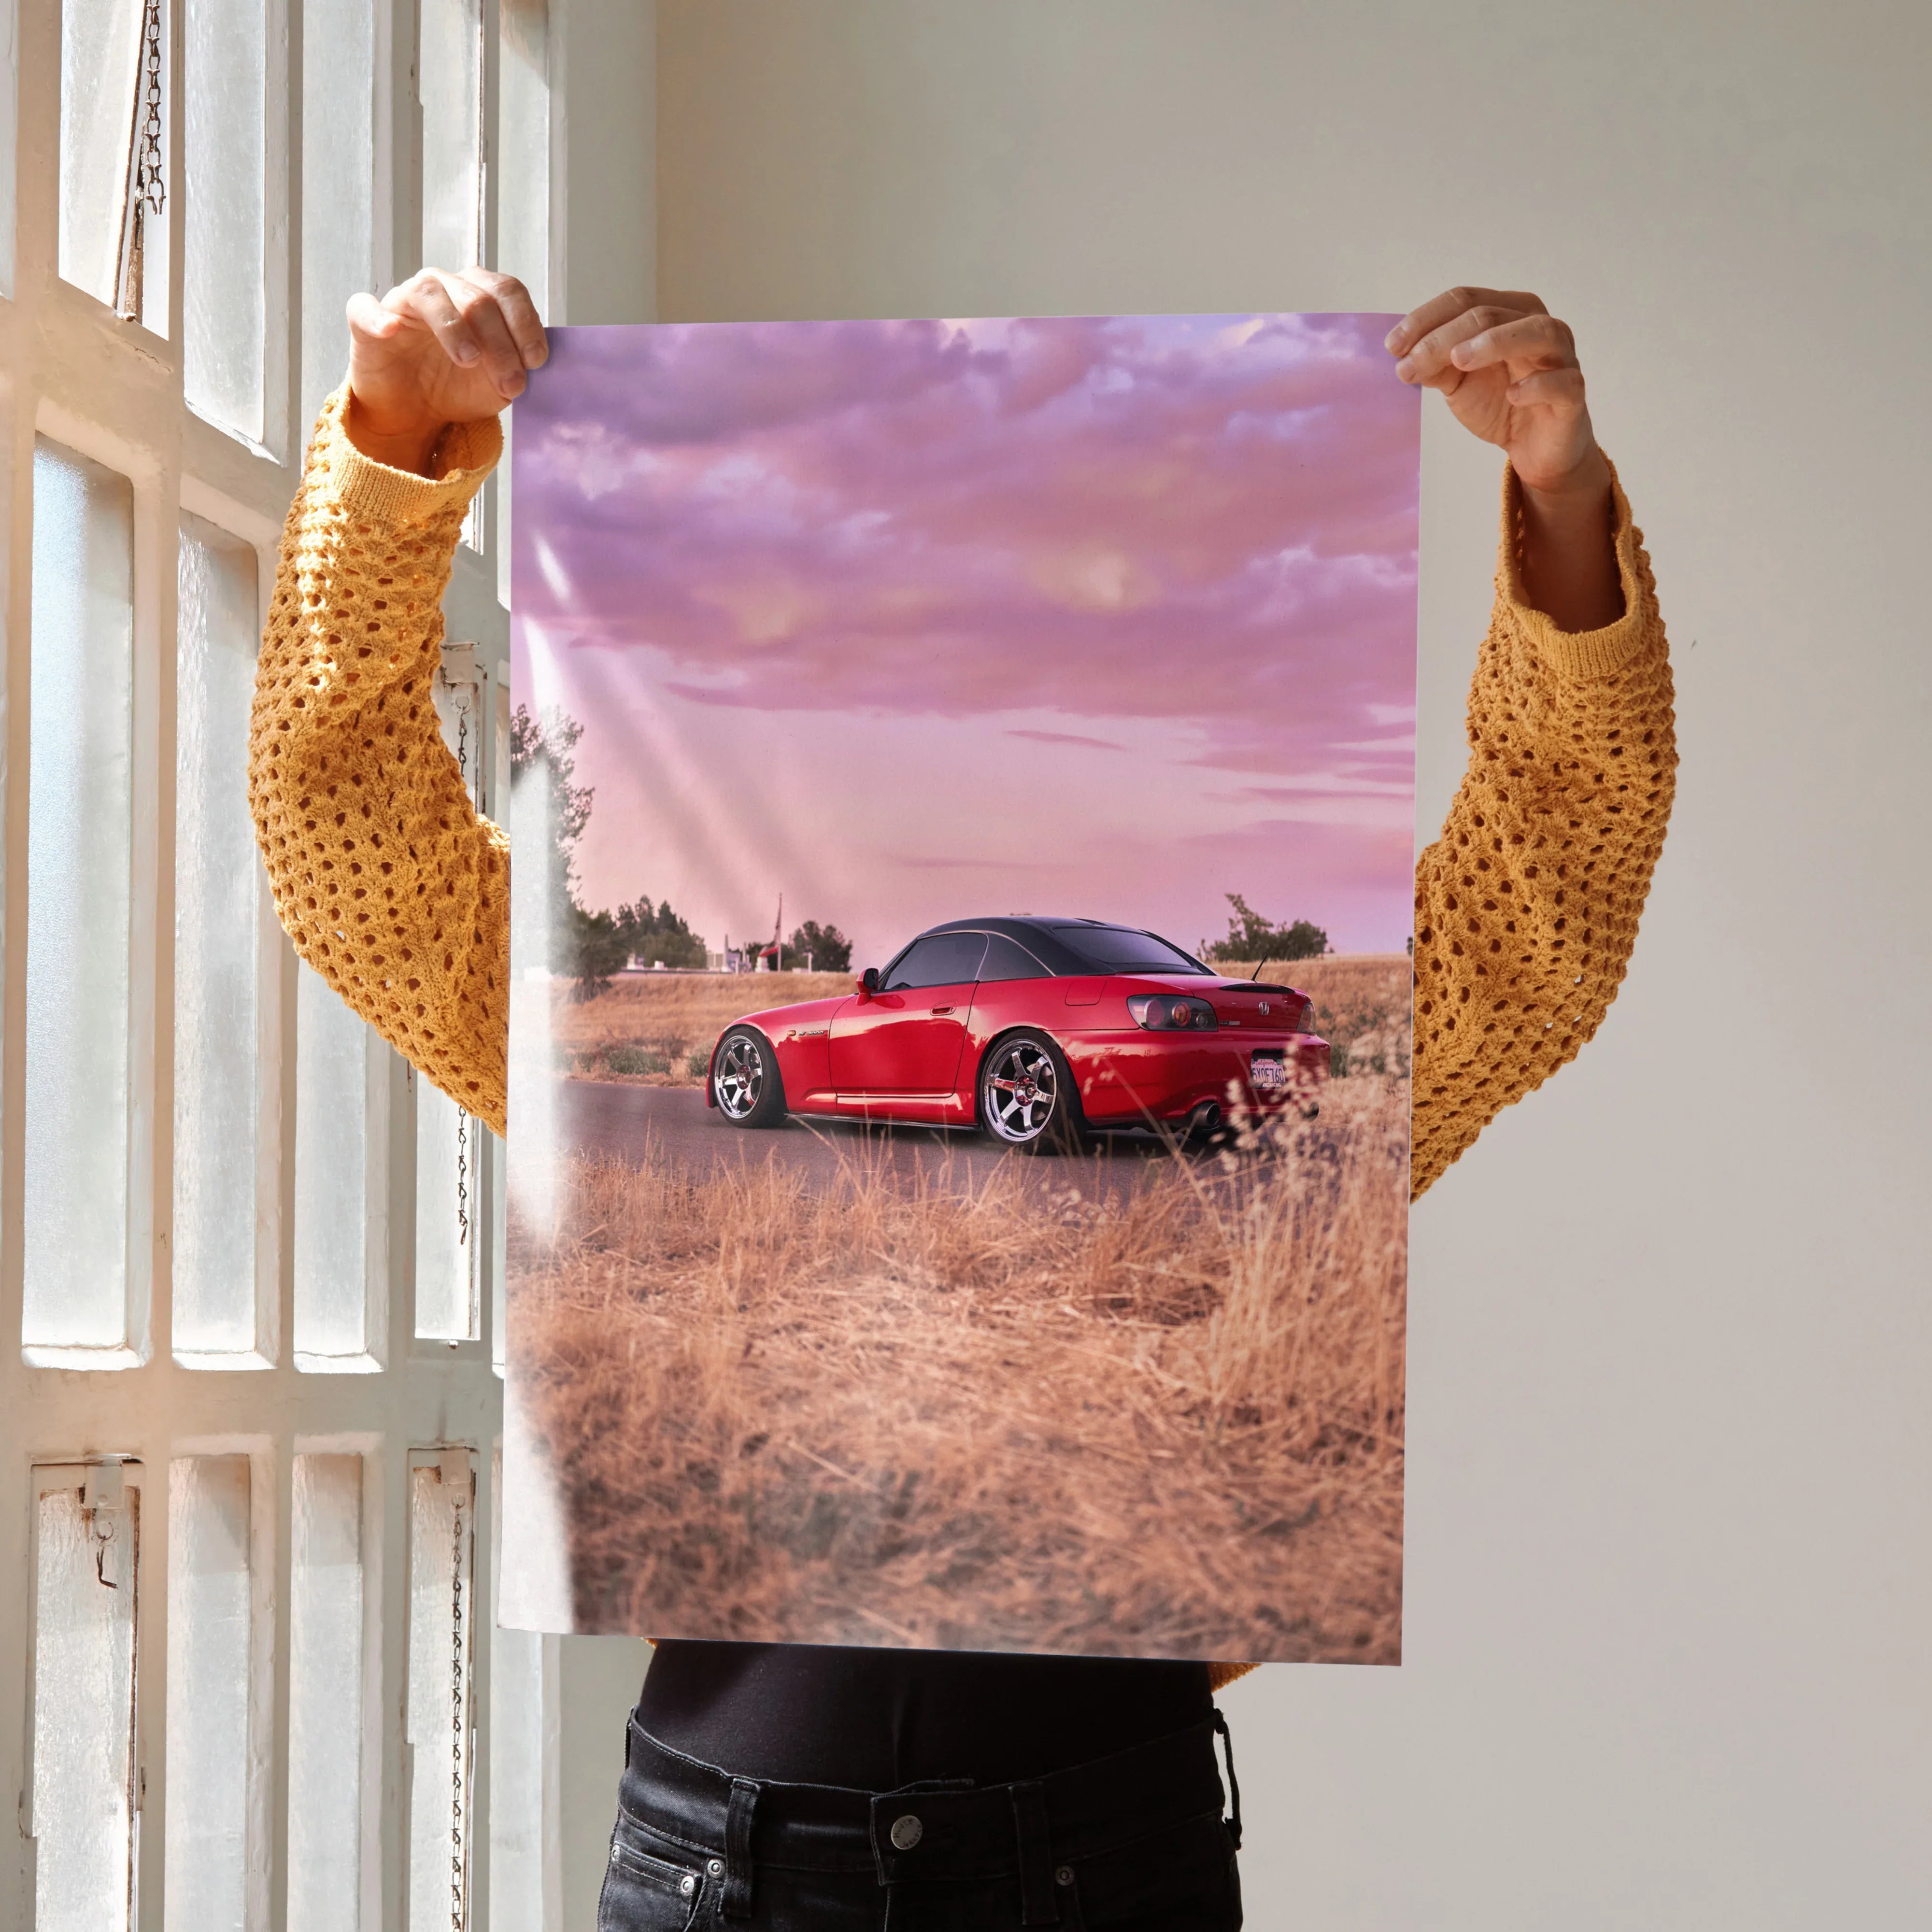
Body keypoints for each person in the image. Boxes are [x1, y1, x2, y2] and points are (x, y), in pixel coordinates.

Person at [250, 271, 1675, 1930]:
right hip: (733, 1866)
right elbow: (346, 842)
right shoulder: (602, 1048)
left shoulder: (1278, 1131)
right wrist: (392, 445)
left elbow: (1546, 906)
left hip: (1097, 1852)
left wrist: (1561, 498)